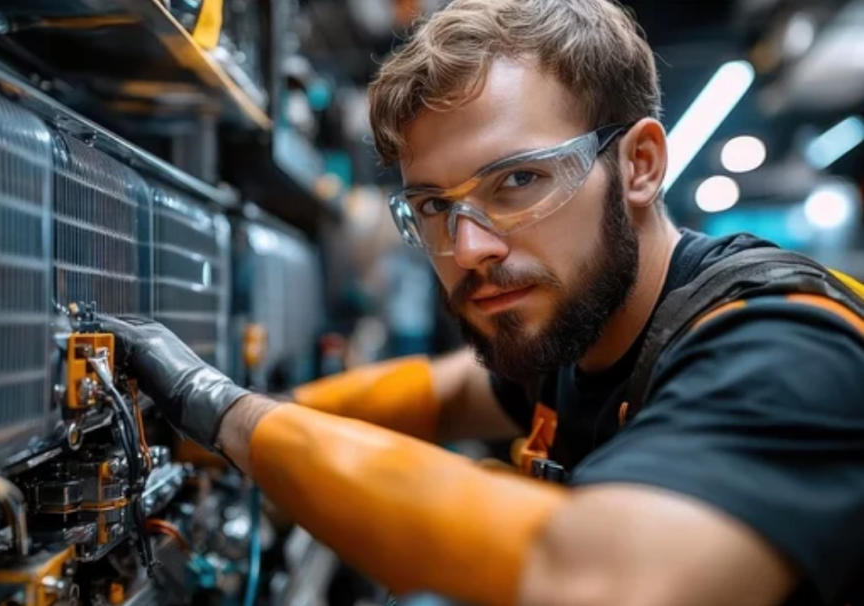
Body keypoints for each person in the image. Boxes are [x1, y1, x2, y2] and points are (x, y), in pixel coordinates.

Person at [102, 1, 864, 604]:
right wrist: (241, 420)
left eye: (519, 182)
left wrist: (226, 412)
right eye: (433, 207)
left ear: (639, 165)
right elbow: (453, 390)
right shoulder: (580, 330)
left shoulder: (785, 344)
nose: (468, 249)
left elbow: (606, 581)